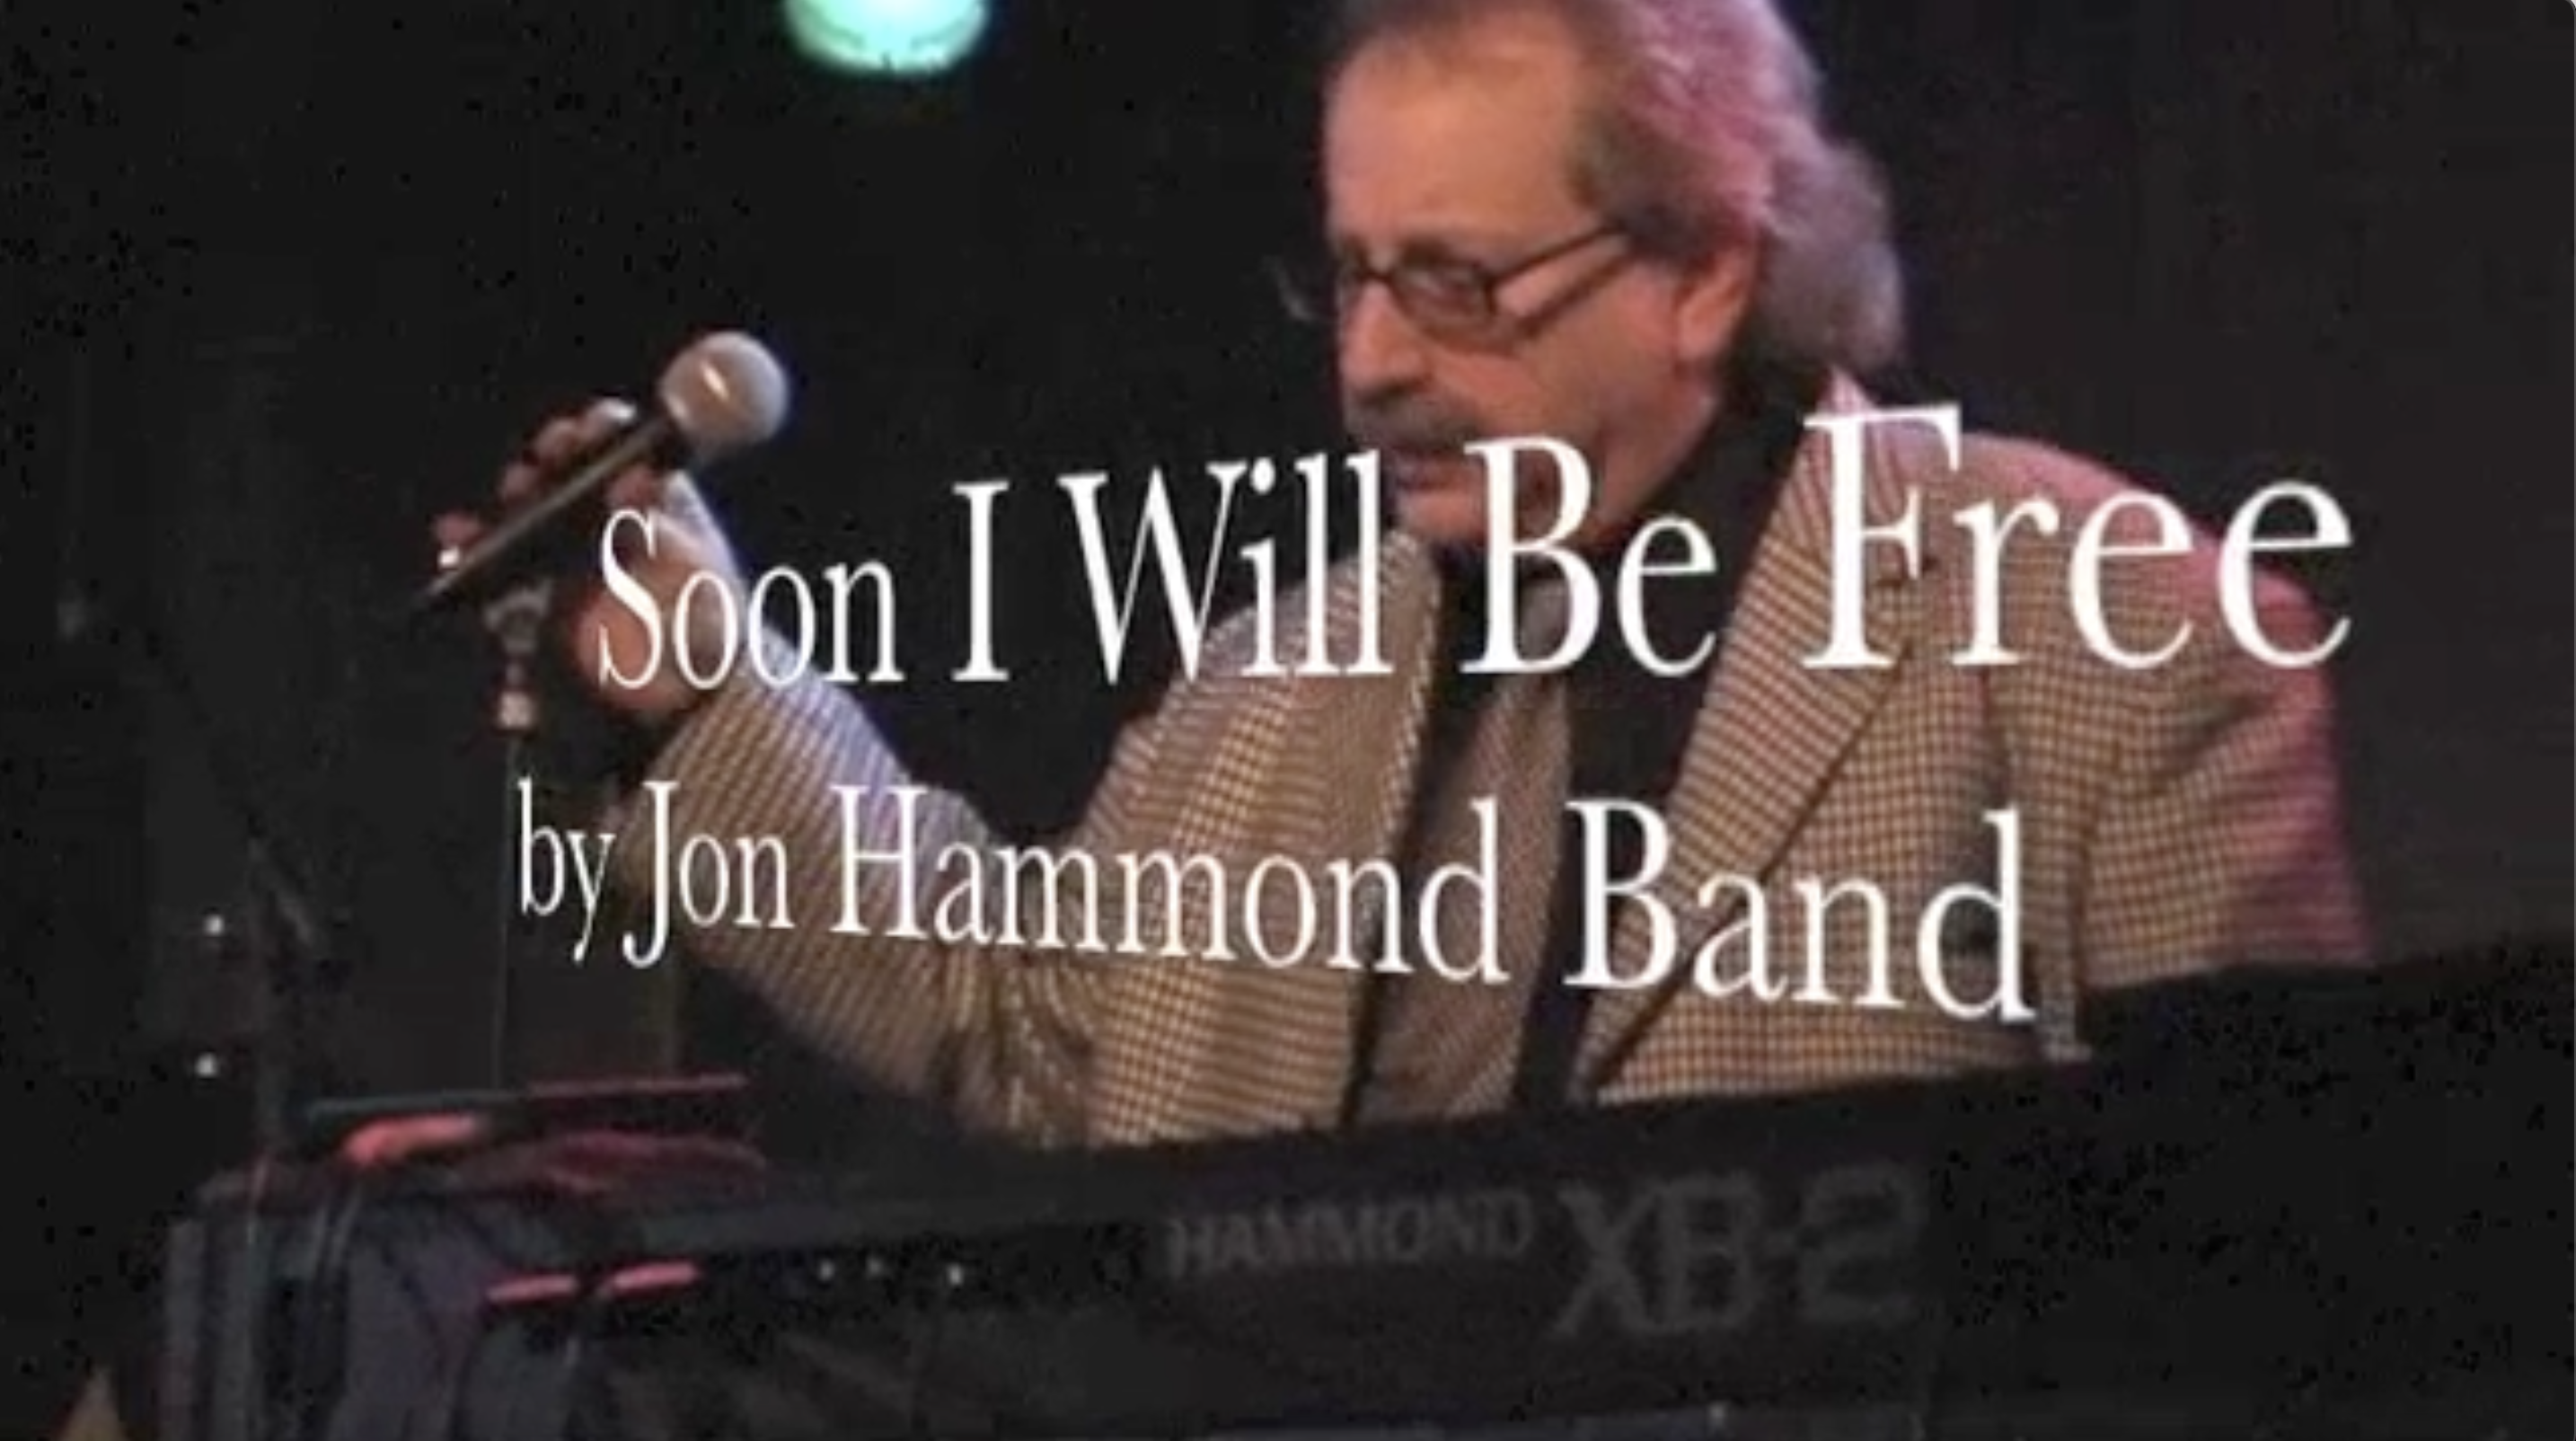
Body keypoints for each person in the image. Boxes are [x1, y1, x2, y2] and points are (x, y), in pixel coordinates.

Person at [445, 0, 2368, 1154]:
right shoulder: (1271, 688)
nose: (1369, 364)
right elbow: (1017, 1021)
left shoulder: (2110, 638)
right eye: (1353, 276)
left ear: (1707, 268)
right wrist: (704, 693)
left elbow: (2254, 1289)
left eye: (1453, 282)